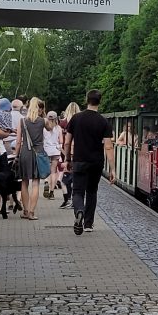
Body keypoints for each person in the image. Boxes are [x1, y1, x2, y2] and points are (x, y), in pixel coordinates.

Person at [63, 89, 115, 235]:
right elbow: (109, 146)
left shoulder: (76, 118)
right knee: (92, 191)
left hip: (79, 160)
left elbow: (67, 142)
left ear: (87, 100)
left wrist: (67, 159)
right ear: (100, 101)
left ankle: (79, 210)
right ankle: (88, 224)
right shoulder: (104, 121)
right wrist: (113, 169)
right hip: (96, 163)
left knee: (78, 191)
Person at [14, 96, 48, 220]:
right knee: (35, 183)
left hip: (25, 153)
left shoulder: (22, 121)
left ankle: (25, 211)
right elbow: (50, 127)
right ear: (39, 108)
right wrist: (43, 113)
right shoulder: (43, 121)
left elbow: (18, 141)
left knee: (24, 182)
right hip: (38, 153)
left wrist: (16, 156)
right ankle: (32, 213)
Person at [43, 111, 62, 198]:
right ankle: (52, 192)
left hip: (46, 150)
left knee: (46, 169)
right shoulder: (58, 128)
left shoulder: (43, 128)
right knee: (53, 171)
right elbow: (61, 141)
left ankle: (46, 181)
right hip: (55, 150)